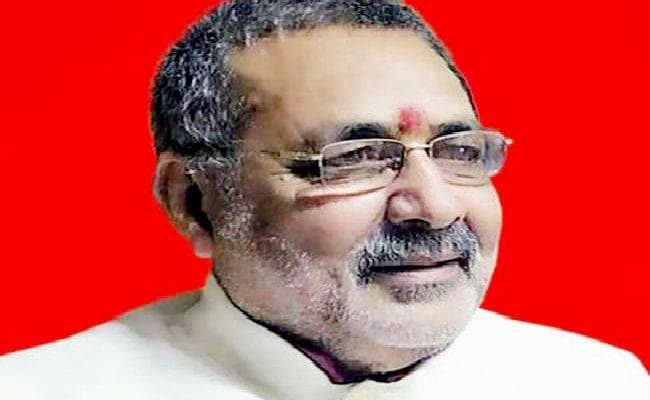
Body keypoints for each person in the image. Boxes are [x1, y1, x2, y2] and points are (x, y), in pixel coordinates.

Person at [0, 0, 647, 399]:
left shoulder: (593, 384)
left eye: (458, 151)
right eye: (354, 158)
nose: (436, 206)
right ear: (194, 202)